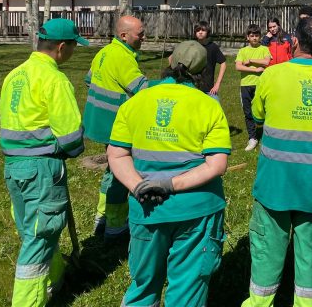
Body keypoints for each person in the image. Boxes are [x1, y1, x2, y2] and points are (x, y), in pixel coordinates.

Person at [108, 40, 231, 307]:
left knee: (142, 286)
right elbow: (216, 164)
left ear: (169, 62)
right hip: (196, 211)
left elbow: (116, 154)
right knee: (187, 288)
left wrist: (137, 185)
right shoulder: (209, 105)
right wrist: (170, 184)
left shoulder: (135, 102)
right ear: (202, 71)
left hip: (146, 209)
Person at [241, 17, 312, 307]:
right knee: (310, 250)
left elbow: (258, 115)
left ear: (295, 43)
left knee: (267, 247)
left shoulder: (271, 75)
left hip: (274, 180)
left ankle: (259, 303)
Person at [0, 18, 87, 306]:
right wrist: (73, 150)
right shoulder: (54, 79)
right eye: (74, 46)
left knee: (33, 229)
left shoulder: (15, 75)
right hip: (42, 170)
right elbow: (71, 137)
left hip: (14, 167)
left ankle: (55, 280)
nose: (74, 52)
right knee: (40, 237)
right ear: (62, 47)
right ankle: (27, 301)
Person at [84, 15, 150, 240]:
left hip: (99, 122)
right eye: (140, 34)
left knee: (111, 170)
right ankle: (116, 225)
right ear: (124, 35)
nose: (144, 37)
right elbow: (143, 89)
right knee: (120, 174)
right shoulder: (122, 57)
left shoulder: (104, 52)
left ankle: (101, 216)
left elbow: (89, 79)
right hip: (115, 125)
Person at [236, 24, 272, 151]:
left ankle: (268, 135)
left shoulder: (264, 49)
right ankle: (252, 138)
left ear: (260, 37)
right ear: (247, 37)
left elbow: (266, 62)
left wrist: (251, 61)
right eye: (252, 36)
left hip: (260, 84)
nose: (254, 38)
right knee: (248, 112)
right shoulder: (242, 51)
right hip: (245, 84)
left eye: (257, 36)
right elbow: (238, 66)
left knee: (265, 110)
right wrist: (256, 70)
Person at [194, 20, 226, 99]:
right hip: (193, 88)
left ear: (207, 32)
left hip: (209, 89)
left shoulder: (213, 47)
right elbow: (172, 58)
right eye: (198, 30)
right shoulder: (191, 46)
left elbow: (223, 64)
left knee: (216, 109)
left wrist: (217, 84)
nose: (200, 32)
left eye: (203, 30)